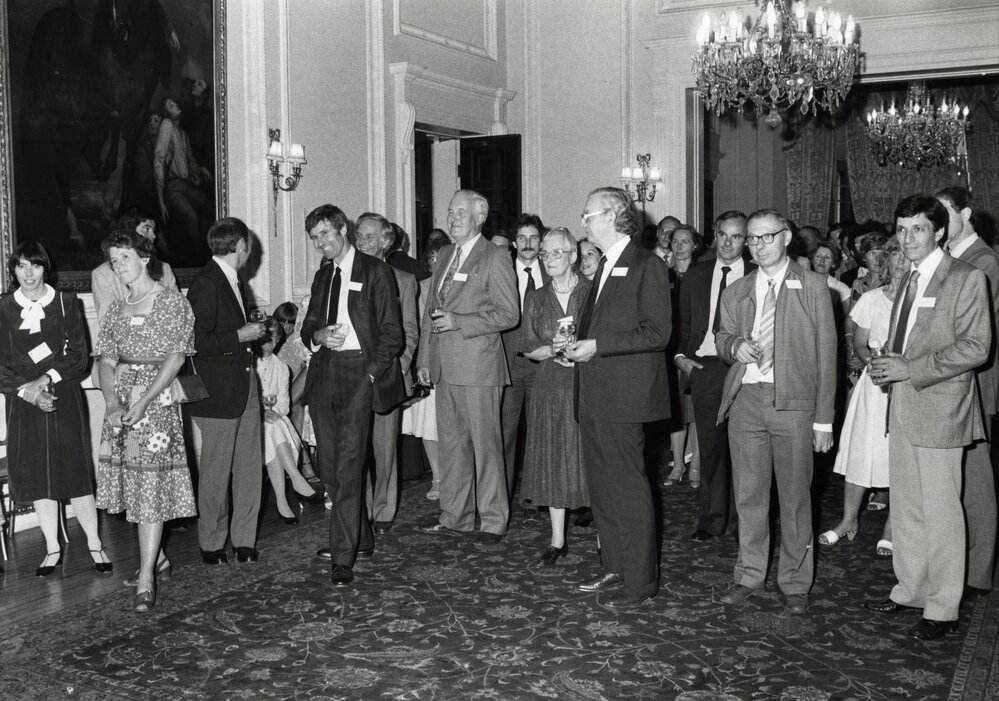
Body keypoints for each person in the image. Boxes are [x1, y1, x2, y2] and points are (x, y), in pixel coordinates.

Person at [866, 194, 991, 641]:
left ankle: (943, 606)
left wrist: (910, 369)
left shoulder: (966, 277)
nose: (907, 238)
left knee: (941, 512)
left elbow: (977, 347)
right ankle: (911, 589)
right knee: (907, 508)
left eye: (918, 228)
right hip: (901, 404)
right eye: (901, 229)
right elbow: (911, 340)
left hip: (941, 409)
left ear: (939, 231)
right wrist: (886, 362)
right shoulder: (907, 279)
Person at [715, 208, 837, 615]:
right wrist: (734, 347)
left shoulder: (814, 286)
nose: (758, 246)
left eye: (766, 237)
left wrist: (823, 419)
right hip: (747, 403)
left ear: (786, 237)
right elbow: (721, 337)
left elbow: (827, 355)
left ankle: (795, 582)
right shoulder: (737, 289)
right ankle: (749, 574)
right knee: (748, 497)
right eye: (752, 239)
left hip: (795, 406)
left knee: (796, 498)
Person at [565, 186, 670, 610]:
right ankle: (614, 565)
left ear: (611, 215)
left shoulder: (646, 265)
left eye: (589, 214)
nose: (584, 221)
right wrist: (577, 345)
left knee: (629, 489)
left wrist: (598, 346)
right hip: (594, 395)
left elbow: (656, 332)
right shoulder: (604, 266)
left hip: (625, 398)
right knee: (604, 489)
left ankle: (640, 582)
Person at [300, 204, 405, 587]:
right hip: (326, 372)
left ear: (342, 229)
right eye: (314, 238)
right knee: (328, 466)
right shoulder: (322, 276)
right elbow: (309, 324)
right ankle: (362, 534)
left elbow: (393, 334)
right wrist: (317, 336)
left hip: (361, 374)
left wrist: (371, 374)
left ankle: (342, 556)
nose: (321, 244)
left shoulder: (375, 271)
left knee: (347, 465)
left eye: (326, 234)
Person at [93, 229, 196, 611]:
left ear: (144, 259)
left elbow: (176, 358)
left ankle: (146, 575)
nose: (118, 266)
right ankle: (158, 558)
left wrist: (145, 401)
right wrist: (111, 402)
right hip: (121, 405)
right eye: (113, 260)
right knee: (133, 488)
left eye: (124, 258)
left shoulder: (170, 303)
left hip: (155, 406)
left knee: (150, 489)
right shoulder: (117, 308)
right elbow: (105, 361)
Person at [0, 242, 112, 578]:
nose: (28, 273)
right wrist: (29, 392)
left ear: (45, 268)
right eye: (21, 266)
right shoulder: (4, 307)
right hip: (22, 400)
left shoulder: (65, 302)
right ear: (13, 271)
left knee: (74, 471)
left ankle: (94, 543)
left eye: (34, 265)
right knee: (39, 474)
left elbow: (79, 357)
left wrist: (46, 379)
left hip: (63, 393)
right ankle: (52, 548)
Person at [415, 189, 519, 542]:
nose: (453, 217)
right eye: (450, 210)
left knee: (486, 448)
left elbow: (509, 314)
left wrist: (460, 321)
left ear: (480, 217)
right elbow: (430, 312)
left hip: (479, 368)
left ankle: (492, 520)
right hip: (444, 368)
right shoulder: (444, 255)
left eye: (460, 211)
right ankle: (455, 516)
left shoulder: (495, 256)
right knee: (452, 447)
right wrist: (425, 360)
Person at [185, 217, 265, 565]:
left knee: (249, 467)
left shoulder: (233, 280)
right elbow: (194, 343)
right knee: (216, 473)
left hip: (245, 384)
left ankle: (244, 540)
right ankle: (212, 544)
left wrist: (251, 335)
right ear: (240, 246)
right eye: (249, 244)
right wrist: (240, 336)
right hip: (216, 394)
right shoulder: (206, 283)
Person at [821, 237, 906, 554]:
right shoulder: (871, 298)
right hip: (874, 386)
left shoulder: (924, 299)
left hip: (907, 386)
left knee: (899, 457)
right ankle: (848, 520)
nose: (899, 259)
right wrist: (872, 361)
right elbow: (859, 343)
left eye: (905, 253)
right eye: (894, 253)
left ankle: (892, 527)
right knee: (860, 451)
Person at [934, 185, 999, 595]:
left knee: (975, 482)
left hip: (973, 385)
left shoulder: (985, 261)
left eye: (943, 213)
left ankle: (976, 573)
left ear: (967, 213)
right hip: (943, 381)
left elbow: (970, 330)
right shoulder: (948, 258)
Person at [675, 210, 755, 541]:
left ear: (746, 241)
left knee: (745, 448)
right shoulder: (697, 273)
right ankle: (712, 518)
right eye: (723, 234)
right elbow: (682, 322)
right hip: (705, 368)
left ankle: (742, 522)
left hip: (744, 369)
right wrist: (681, 357)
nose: (728, 242)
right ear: (714, 234)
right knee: (710, 448)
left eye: (736, 236)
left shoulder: (757, 274)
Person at [520, 228, 591, 564]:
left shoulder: (591, 292)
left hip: (586, 382)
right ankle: (557, 539)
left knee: (589, 458)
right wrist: (549, 349)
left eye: (555, 253)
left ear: (573, 256)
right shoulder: (536, 297)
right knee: (552, 458)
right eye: (545, 254)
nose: (547, 259)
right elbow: (528, 348)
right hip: (550, 385)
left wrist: (581, 351)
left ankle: (605, 537)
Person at [353, 212, 418, 534]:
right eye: (358, 235)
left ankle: (383, 510)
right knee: (355, 447)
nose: (361, 241)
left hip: (387, 377)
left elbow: (409, 332)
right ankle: (359, 508)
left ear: (385, 241)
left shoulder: (402, 281)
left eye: (368, 236)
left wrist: (396, 370)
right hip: (351, 377)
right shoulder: (345, 277)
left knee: (384, 448)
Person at [501, 214, 548, 503]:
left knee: (539, 435)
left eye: (533, 237)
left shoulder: (552, 269)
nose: (528, 244)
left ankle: (533, 497)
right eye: (522, 238)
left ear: (541, 240)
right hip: (508, 364)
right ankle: (502, 499)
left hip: (543, 364)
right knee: (505, 435)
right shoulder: (502, 270)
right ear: (513, 242)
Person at [255, 318, 319, 525]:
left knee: (273, 425)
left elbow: (284, 403)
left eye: (274, 340)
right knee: (273, 426)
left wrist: (271, 412)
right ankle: (295, 477)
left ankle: (283, 501)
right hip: (251, 420)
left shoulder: (281, 367)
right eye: (266, 338)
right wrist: (260, 412)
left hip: (274, 422)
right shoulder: (249, 363)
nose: (269, 344)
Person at [403, 236, 450, 500]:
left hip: (455, 361)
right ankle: (437, 477)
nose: (436, 263)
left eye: (440, 258)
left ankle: (457, 476)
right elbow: (418, 328)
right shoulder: (421, 287)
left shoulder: (459, 284)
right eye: (431, 259)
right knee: (428, 423)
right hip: (428, 361)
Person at [662, 224, 703, 487]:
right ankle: (677, 465)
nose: (678, 246)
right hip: (669, 351)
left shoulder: (703, 275)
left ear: (694, 246)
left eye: (684, 241)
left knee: (697, 411)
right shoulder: (663, 275)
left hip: (696, 350)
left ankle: (697, 466)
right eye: (675, 241)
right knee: (675, 413)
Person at [154, 96, 214, 267]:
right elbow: (158, 160)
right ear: (166, 113)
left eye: (174, 103)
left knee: (208, 206)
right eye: (170, 105)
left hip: (184, 185)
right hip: (173, 187)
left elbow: (189, 160)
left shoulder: (182, 133)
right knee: (191, 216)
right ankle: (200, 262)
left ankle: (206, 257)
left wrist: (200, 169)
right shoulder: (166, 125)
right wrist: (160, 200)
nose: (175, 105)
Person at [92, 215, 177, 324]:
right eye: (146, 229)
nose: (154, 235)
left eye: (125, 257)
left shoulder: (165, 271)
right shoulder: (102, 274)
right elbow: (107, 327)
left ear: (144, 259)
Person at [850, 233, 888, 301]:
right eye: (872, 254)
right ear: (864, 256)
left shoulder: (890, 285)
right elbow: (853, 311)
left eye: (882, 254)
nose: (878, 259)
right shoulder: (858, 284)